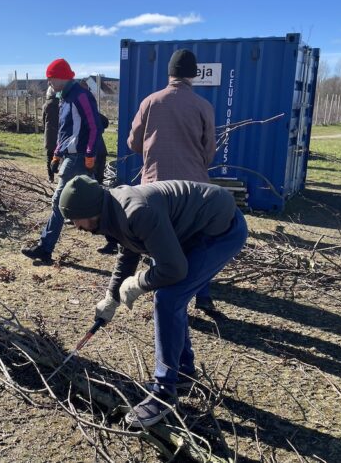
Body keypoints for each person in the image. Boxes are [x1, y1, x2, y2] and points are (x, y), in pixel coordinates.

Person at [58, 175, 248, 428]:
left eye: (74, 220)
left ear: (87, 210)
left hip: (218, 230)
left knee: (168, 299)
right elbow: (128, 251)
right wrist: (111, 298)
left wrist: (138, 283)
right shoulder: (110, 211)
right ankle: (183, 373)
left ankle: (164, 393)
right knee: (170, 298)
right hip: (188, 229)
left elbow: (174, 269)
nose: (75, 226)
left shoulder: (136, 211)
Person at [127, 49, 217, 311]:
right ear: (193, 75)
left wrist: (152, 152)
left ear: (169, 73)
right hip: (194, 188)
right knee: (197, 241)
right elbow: (208, 150)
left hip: (156, 185)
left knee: (160, 240)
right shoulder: (203, 106)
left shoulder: (150, 102)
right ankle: (203, 296)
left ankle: (163, 295)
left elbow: (133, 142)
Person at [21, 58, 101, 265]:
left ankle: (45, 248)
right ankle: (116, 238)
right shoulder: (64, 98)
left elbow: (95, 126)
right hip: (70, 156)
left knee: (58, 202)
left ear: (62, 77)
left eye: (50, 79)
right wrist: (56, 154)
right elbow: (64, 132)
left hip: (80, 157)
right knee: (96, 199)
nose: (49, 83)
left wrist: (90, 153)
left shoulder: (81, 96)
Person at [79, 78, 117, 255]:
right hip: (93, 153)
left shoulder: (84, 104)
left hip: (93, 154)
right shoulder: (81, 104)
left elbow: (101, 123)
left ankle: (112, 239)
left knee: (98, 196)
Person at [42, 86, 59, 182]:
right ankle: (59, 171)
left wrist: (46, 128)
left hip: (49, 133)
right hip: (60, 132)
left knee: (49, 155)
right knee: (61, 154)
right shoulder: (61, 104)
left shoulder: (46, 105)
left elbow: (43, 120)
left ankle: (50, 177)